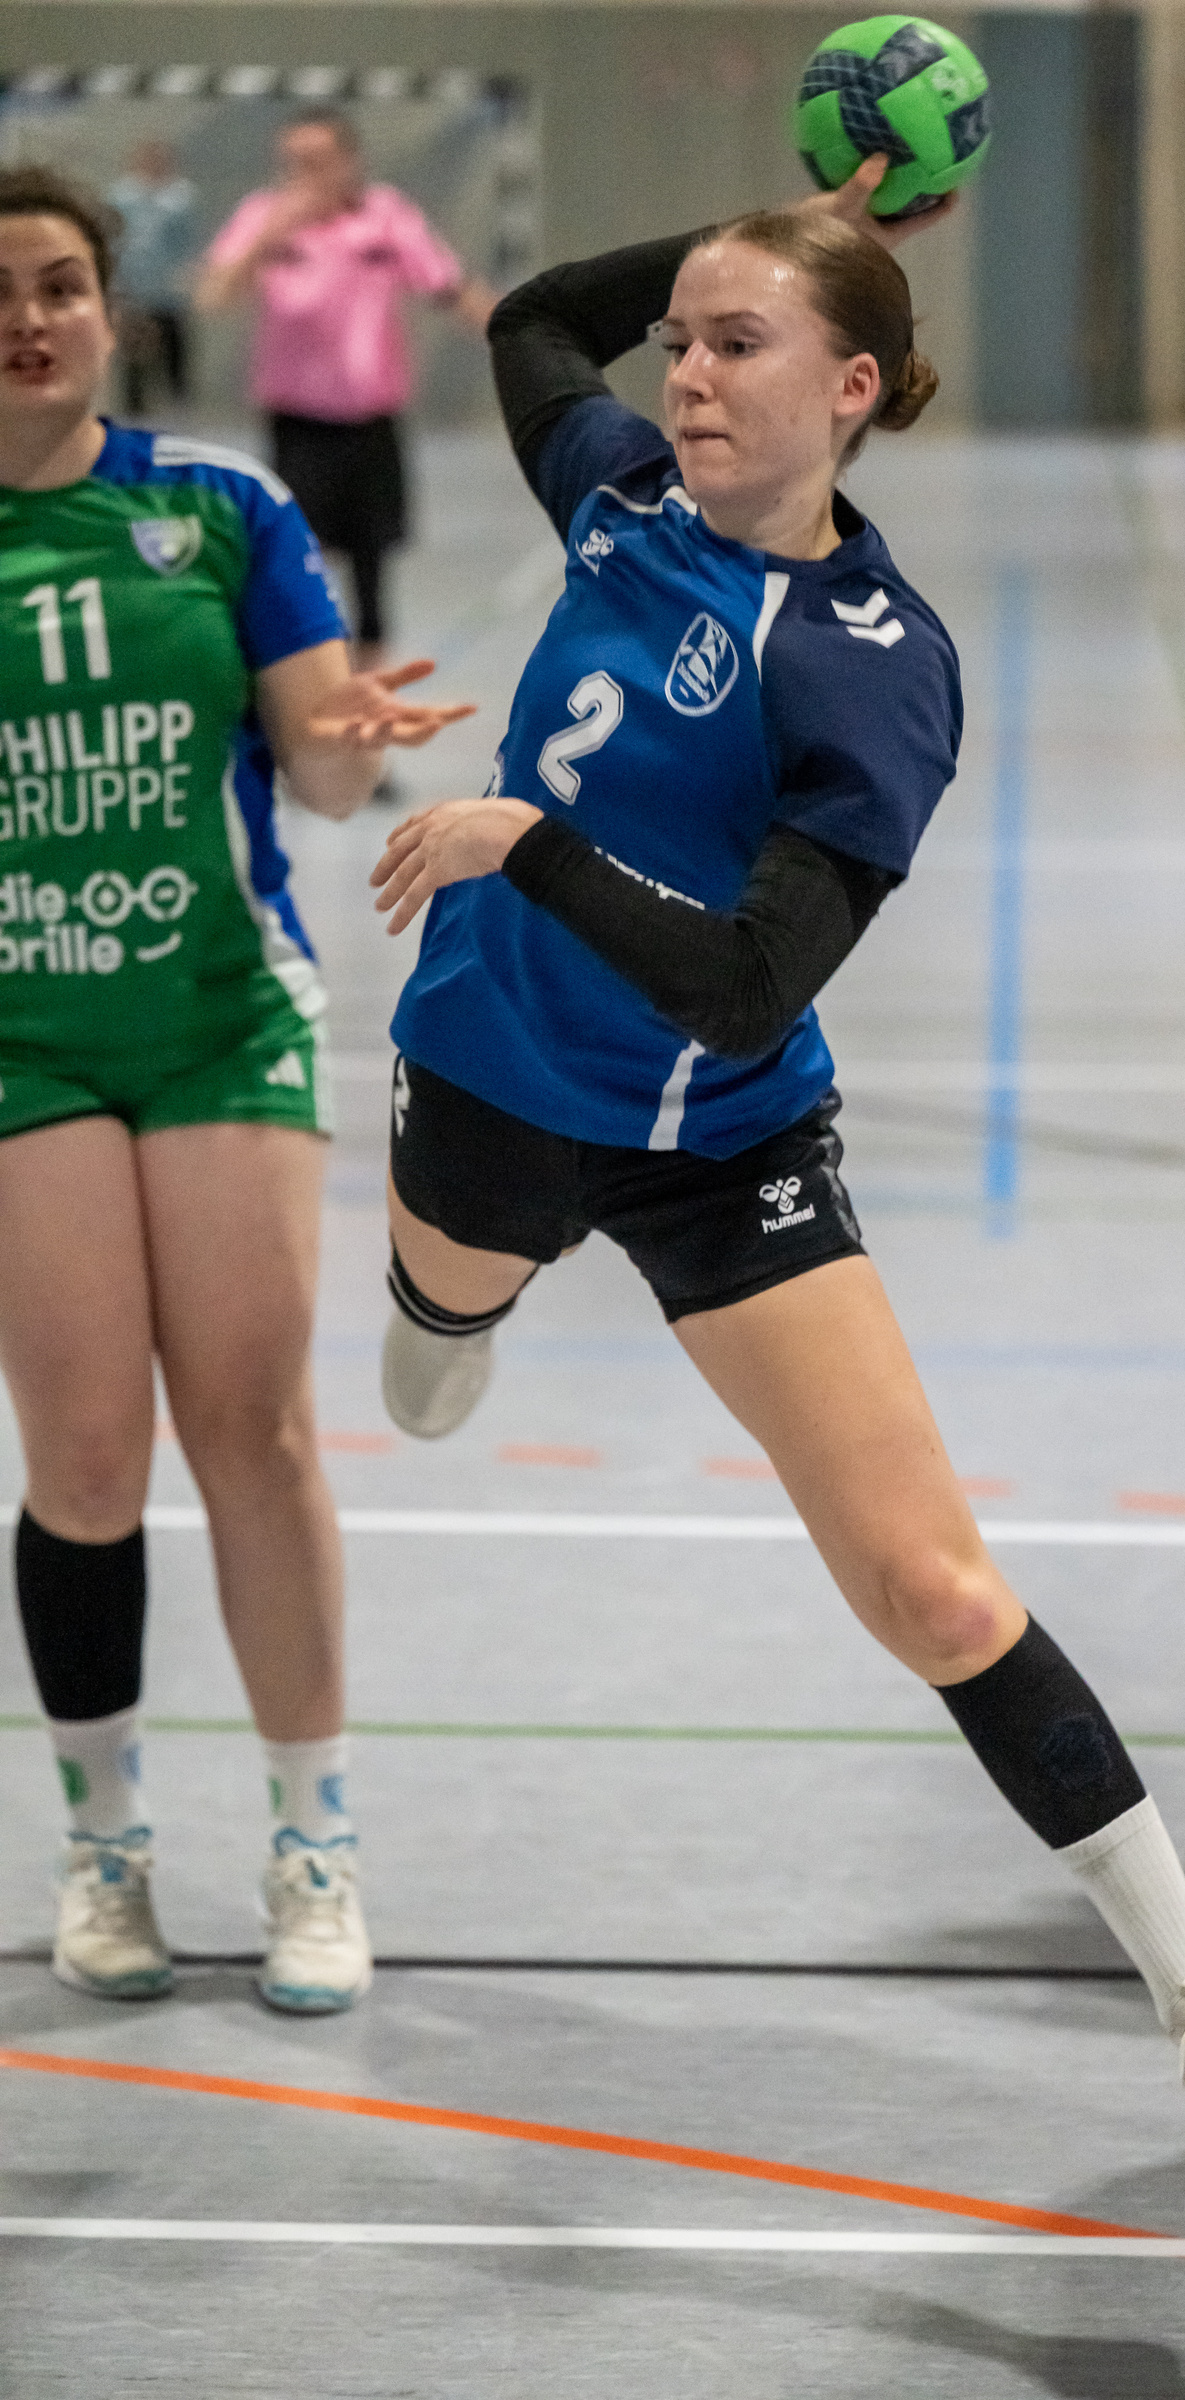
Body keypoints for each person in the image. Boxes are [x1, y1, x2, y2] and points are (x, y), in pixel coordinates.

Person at [364, 158, 1185, 2161]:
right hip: (488, 1075)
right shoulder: (615, 494)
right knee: (422, 1367)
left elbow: (747, 991)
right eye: (682, 343)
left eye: (737, 344)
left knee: (928, 1583)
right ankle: (449, 1305)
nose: (684, 375)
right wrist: (768, 222)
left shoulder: (871, 661)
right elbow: (532, 319)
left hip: (720, 1133)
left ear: (850, 388)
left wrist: (525, 841)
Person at [0, 164, 471, 2013]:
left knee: (254, 1432)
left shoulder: (218, 510)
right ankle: (104, 1845)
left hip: (217, 1015)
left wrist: (347, 743)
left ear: (111, 312)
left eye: (56, 285)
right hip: (24, 1035)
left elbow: (324, 775)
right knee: (83, 1460)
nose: (26, 320)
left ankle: (313, 1842)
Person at [197, 110, 496, 668]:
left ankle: (372, 678)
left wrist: (514, 336)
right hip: (298, 422)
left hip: (369, 420)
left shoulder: (385, 216)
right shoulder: (263, 217)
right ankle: (308, 674)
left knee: (371, 560)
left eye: (317, 161)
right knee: (295, 555)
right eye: (293, 163)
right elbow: (213, 295)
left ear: (348, 162)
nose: (304, 174)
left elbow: (448, 287)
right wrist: (270, 234)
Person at [105, 141, 198, 420]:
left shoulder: (180, 199)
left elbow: (186, 243)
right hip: (133, 291)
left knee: (173, 353)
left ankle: (179, 409)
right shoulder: (122, 197)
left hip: (168, 293)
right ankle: (133, 412)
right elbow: (113, 239)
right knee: (133, 355)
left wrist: (185, 276)